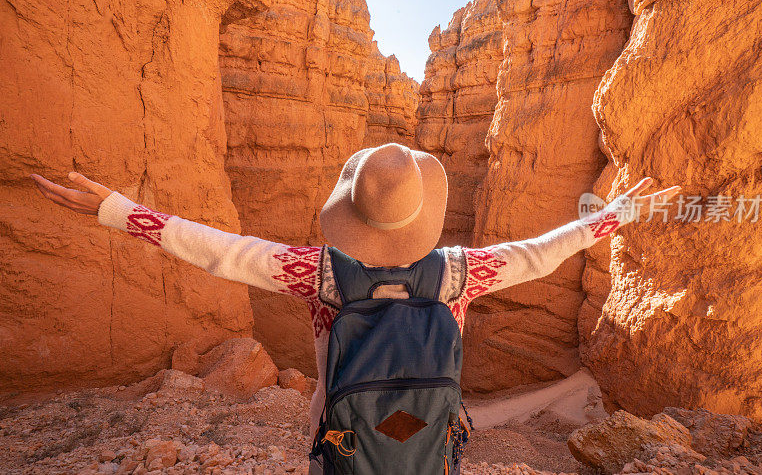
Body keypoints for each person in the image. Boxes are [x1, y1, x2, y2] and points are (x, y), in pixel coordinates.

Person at [31, 143, 680, 468]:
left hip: (340, 444)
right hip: (426, 447)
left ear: (354, 211)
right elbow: (544, 251)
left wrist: (115, 211)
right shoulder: (460, 273)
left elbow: (217, 250)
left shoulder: (320, 275)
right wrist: (616, 216)